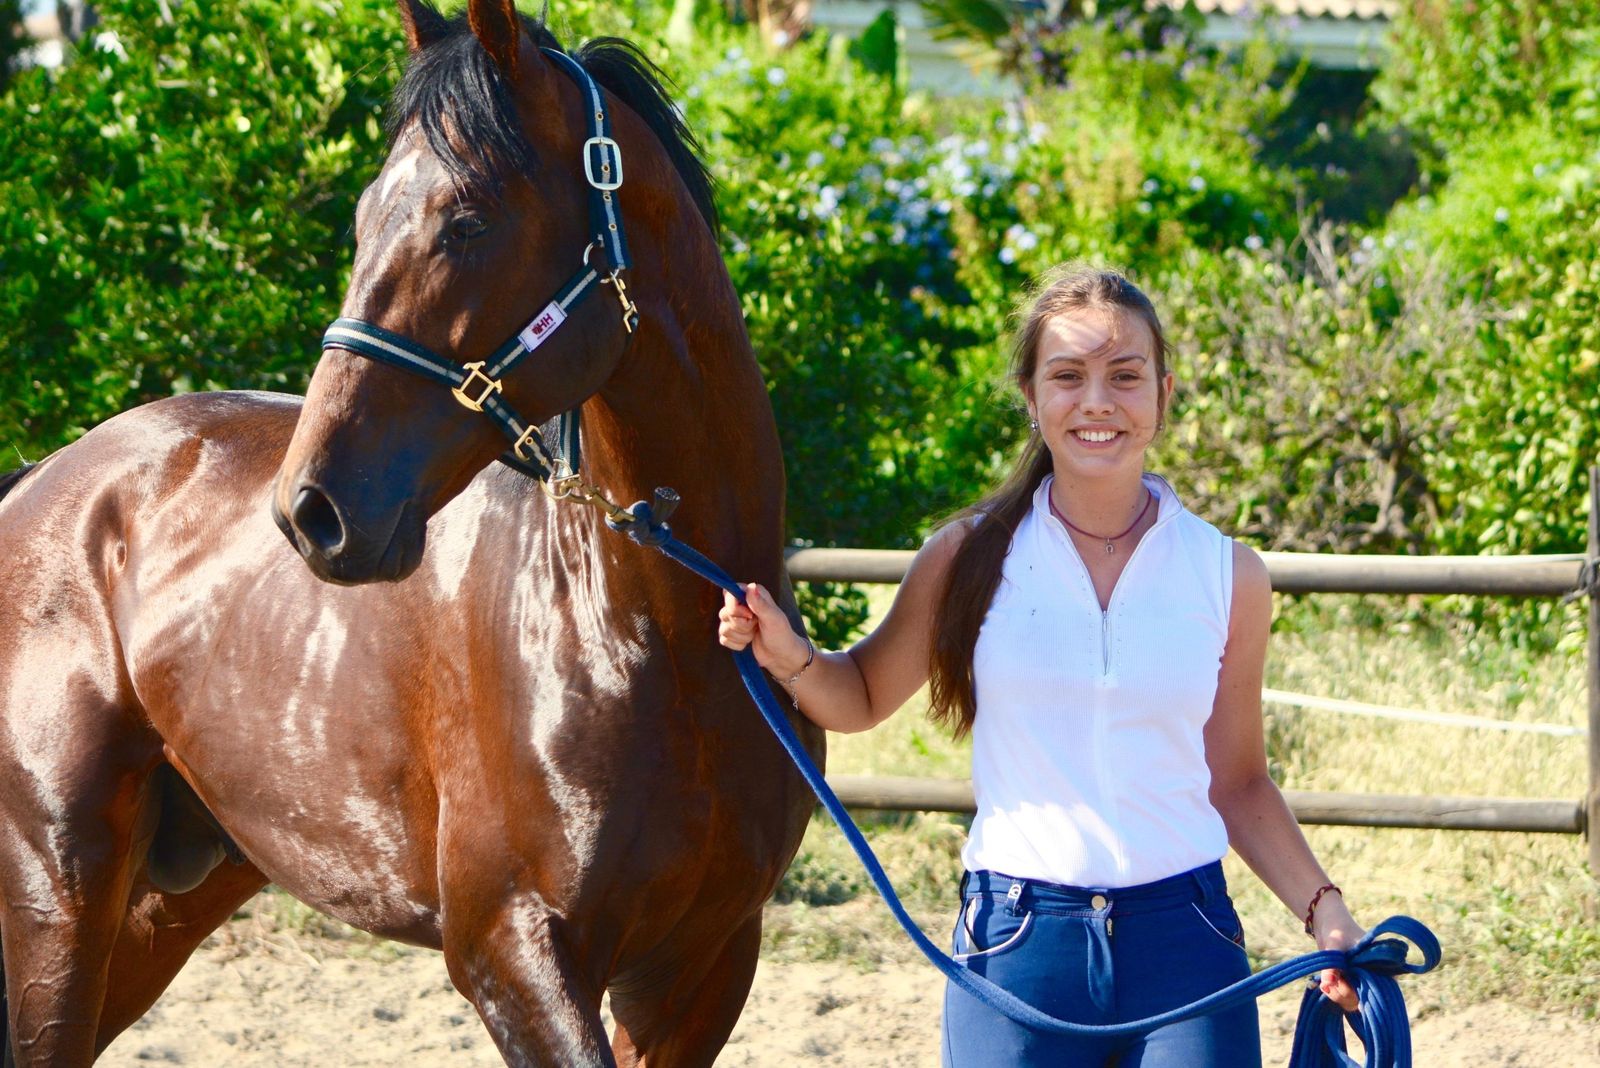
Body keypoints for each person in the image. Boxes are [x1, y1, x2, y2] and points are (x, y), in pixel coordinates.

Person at [718, 264, 1365, 1066]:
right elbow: (856, 697)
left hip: (1186, 943)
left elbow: (1237, 783)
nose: (1097, 401)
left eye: (1124, 376)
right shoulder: (964, 556)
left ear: (1164, 393)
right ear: (1031, 397)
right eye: (1068, 376)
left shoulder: (1229, 574)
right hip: (1017, 940)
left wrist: (1325, 911)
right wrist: (790, 656)